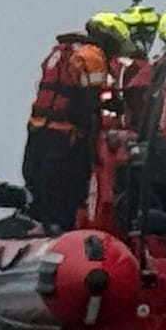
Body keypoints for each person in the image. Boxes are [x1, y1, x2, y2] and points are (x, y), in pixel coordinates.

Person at [21, 17, 126, 232]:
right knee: (65, 191)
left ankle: (27, 213)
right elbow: (89, 99)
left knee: (37, 188)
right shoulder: (92, 56)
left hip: (38, 129)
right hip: (64, 137)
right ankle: (57, 230)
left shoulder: (61, 51)